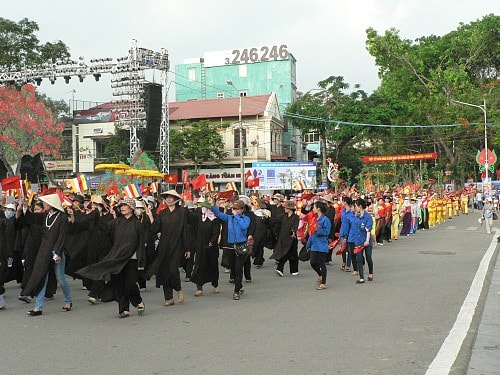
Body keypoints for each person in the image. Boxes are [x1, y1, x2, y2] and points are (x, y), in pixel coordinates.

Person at [76, 197, 146, 318]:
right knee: (119, 284)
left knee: (129, 284)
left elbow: (141, 244)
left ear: (132, 208)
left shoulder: (137, 224)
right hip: (117, 258)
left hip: (132, 259)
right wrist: (96, 213)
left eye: (125, 205)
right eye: (121, 206)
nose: (122, 208)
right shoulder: (117, 222)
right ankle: (124, 309)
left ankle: (138, 301)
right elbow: (104, 227)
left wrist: (141, 262)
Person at [20, 194, 73, 316]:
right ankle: (38, 307)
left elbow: (62, 236)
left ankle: (68, 301)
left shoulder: (62, 217)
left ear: (52, 204)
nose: (44, 205)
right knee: (41, 277)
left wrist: (58, 252)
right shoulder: (45, 216)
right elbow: (31, 218)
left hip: (56, 252)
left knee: (61, 278)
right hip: (44, 251)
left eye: (46, 203)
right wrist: (24, 206)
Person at [145, 190, 190, 307]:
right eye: (167, 197)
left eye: (171, 197)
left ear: (176, 199)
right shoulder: (162, 213)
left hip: (177, 245)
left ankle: (179, 290)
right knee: (163, 271)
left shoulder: (182, 212)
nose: (169, 199)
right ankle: (169, 298)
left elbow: (185, 230)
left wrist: (187, 248)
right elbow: (155, 228)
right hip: (164, 246)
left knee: (173, 270)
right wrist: (150, 215)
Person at [207, 197, 250, 300]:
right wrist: (213, 204)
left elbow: (244, 227)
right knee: (233, 269)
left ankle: (236, 291)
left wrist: (237, 217)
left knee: (239, 268)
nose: (235, 210)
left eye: (237, 209)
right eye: (234, 208)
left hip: (241, 245)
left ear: (242, 209)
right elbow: (219, 214)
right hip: (230, 246)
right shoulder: (230, 218)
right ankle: (239, 285)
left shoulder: (246, 218)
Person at [190, 198, 221, 296]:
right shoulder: (198, 217)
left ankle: (215, 284)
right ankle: (199, 287)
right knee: (199, 265)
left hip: (211, 246)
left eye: (205, 207)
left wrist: (212, 241)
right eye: (202, 207)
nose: (203, 209)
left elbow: (216, 232)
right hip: (200, 245)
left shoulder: (215, 219)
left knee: (213, 265)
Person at [306, 201, 331, 290]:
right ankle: (320, 275)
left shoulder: (325, 219)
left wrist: (318, 229)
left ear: (318, 209)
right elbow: (311, 233)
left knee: (321, 263)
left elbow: (327, 232)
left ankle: (323, 282)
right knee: (312, 262)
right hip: (314, 244)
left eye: (314, 207)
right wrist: (308, 244)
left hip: (322, 245)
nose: (313, 209)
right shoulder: (314, 219)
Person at [270, 200, 299, 276]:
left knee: (293, 254)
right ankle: (280, 268)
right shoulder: (283, 216)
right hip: (283, 237)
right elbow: (275, 221)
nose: (284, 209)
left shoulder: (296, 217)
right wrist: (267, 218)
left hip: (291, 238)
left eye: (286, 207)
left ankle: (293, 270)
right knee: (284, 253)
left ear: (290, 208)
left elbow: (295, 226)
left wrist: (293, 231)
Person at [353, 198, 374, 284]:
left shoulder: (368, 217)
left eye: (356, 206)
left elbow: (368, 229)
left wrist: (367, 240)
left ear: (360, 206)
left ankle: (370, 273)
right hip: (358, 240)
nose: (355, 208)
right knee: (359, 258)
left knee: (368, 257)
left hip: (366, 240)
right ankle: (361, 277)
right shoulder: (357, 216)